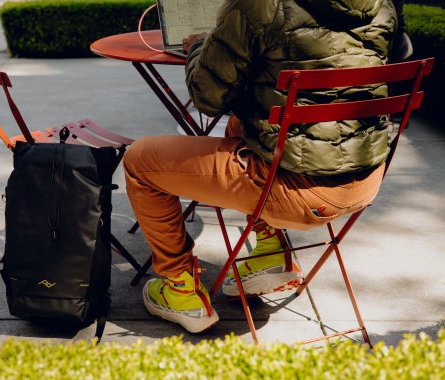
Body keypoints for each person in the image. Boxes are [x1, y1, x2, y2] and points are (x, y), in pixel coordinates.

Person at [123, 0, 396, 333]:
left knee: (139, 159)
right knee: (242, 123)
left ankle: (179, 289)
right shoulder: (383, 6)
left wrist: (198, 47)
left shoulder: (258, 5)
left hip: (292, 193)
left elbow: (207, 97)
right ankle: (271, 250)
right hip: (364, 181)